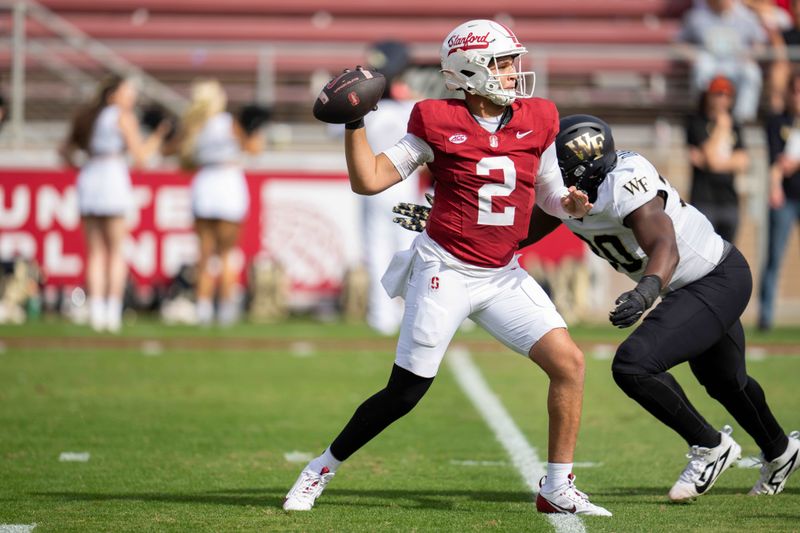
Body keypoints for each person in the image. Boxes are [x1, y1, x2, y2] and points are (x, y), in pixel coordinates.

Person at [283, 19, 611, 516]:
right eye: (502, 64)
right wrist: (355, 123)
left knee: (569, 364)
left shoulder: (540, 116)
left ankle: (557, 486)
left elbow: (549, 194)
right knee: (406, 392)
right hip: (447, 271)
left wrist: (571, 203)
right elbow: (369, 180)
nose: (513, 73)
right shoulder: (435, 119)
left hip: (503, 274)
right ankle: (320, 468)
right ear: (471, 69)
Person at [394, 114, 800, 501]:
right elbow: (516, 233)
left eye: (554, 167)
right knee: (727, 381)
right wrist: (452, 225)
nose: (544, 175)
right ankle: (781, 452)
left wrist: (645, 292)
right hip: (690, 285)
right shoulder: (569, 195)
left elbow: (665, 247)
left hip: (713, 278)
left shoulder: (625, 182)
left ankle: (709, 445)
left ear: (583, 170)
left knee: (634, 365)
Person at [60, 75, 167, 332]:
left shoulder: (88, 116)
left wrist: (81, 166)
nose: (131, 97)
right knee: (116, 250)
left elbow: (64, 150)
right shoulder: (122, 117)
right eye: (127, 92)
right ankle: (112, 311)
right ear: (113, 95)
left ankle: (96, 311)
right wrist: (158, 136)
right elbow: (140, 157)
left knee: (95, 252)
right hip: (113, 178)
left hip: (90, 176)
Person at [174, 79, 266, 326]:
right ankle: (225, 311)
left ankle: (203, 310)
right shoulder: (229, 122)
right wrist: (255, 128)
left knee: (204, 256)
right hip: (227, 185)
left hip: (204, 185)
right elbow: (253, 148)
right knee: (227, 254)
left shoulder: (194, 125)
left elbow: (183, 162)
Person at [360, 40, 423, 335]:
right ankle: (408, 312)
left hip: (373, 185)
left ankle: (381, 316)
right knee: (407, 250)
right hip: (402, 183)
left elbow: (332, 128)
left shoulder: (367, 111)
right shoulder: (410, 108)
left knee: (377, 251)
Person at [676, 0, 768, 122]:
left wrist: (750, 55)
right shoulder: (696, 16)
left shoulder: (746, 16)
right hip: (710, 62)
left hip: (737, 62)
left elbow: (761, 43)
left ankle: (743, 119)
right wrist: (693, 55)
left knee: (751, 72)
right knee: (701, 68)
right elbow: (678, 43)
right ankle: (703, 114)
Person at [686, 75, 749, 242]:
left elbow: (743, 161)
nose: (723, 99)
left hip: (729, 201)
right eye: (718, 93)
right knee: (703, 256)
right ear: (708, 96)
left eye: (727, 95)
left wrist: (711, 163)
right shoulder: (696, 122)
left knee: (727, 259)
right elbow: (711, 158)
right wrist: (721, 127)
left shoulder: (735, 124)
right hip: (704, 200)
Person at [760, 71, 800, 330]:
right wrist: (775, 186)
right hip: (785, 198)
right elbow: (776, 162)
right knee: (774, 256)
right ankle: (766, 317)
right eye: (795, 91)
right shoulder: (778, 122)